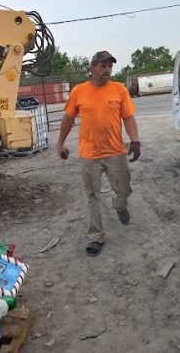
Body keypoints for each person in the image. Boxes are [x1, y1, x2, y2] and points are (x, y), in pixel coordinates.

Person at [57, 51, 141, 256]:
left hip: (116, 151)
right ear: (92, 67)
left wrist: (135, 141)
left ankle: (120, 206)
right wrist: (60, 144)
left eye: (110, 66)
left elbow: (128, 118)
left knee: (124, 188)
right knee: (92, 196)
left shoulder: (119, 89)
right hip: (89, 154)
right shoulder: (79, 91)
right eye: (103, 66)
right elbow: (68, 119)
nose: (107, 70)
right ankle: (96, 236)